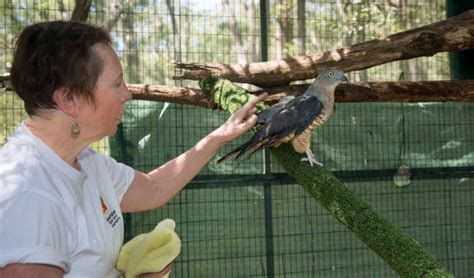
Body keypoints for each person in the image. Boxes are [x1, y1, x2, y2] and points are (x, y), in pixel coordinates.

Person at [0, 21, 267, 277]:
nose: (127, 93)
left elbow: (153, 188)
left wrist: (220, 136)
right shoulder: (29, 194)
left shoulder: (86, 161)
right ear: (70, 99)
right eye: (117, 83)